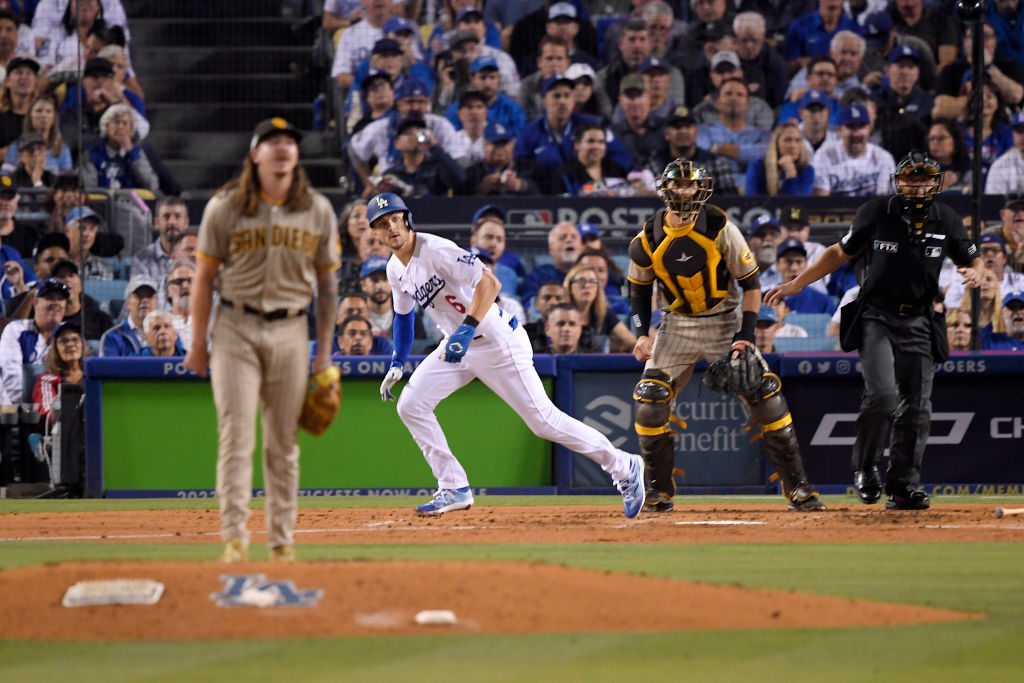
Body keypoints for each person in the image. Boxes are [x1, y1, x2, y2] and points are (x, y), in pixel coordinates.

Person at [369, 192, 645, 517]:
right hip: (460, 345)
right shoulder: (393, 269)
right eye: (382, 224)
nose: (392, 227)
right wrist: (398, 361)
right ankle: (453, 486)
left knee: (544, 422)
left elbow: (490, 282)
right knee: (411, 405)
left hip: (497, 342)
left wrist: (466, 328)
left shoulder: (437, 250)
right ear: (375, 233)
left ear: (407, 218)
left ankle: (623, 465)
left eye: (396, 218)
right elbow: (402, 317)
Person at [765, 151, 982, 510]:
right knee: (882, 395)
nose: (917, 186)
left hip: (921, 319)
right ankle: (865, 467)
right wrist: (796, 284)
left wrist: (975, 271)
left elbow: (970, 257)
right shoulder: (877, 212)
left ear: (936, 182)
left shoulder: (947, 217)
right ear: (898, 182)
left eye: (925, 178)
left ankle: (903, 486)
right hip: (876, 314)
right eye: (910, 179)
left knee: (918, 407)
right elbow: (839, 251)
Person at [183, 118, 341, 563]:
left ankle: (281, 541)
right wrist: (198, 343)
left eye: (289, 141)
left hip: (292, 330)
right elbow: (204, 279)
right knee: (236, 436)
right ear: (254, 154)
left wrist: (324, 355)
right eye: (272, 141)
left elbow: (328, 287)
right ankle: (235, 538)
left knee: (283, 443)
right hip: (235, 328)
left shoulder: (318, 210)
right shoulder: (225, 206)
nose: (282, 147)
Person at [629, 158, 824, 513]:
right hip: (677, 324)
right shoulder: (646, 238)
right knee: (650, 400)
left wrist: (746, 335)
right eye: (679, 185)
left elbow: (751, 283)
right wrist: (642, 334)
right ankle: (658, 490)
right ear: (666, 189)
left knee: (765, 393)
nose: (685, 191)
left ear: (700, 189)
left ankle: (798, 487)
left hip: (724, 320)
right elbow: (638, 291)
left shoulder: (719, 225)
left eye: (690, 185)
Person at [0, 277, 68, 401]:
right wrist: (25, 410)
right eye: (50, 298)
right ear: (35, 303)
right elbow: (11, 376)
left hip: (61, 404)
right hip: (23, 407)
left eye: (60, 299)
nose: (56, 303)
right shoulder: (16, 329)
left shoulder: (69, 333)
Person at [812, 103, 895, 196]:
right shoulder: (824, 156)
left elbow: (882, 202)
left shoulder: (883, 158)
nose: (856, 133)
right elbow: (821, 203)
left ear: (869, 129)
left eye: (861, 126)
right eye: (851, 126)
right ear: (840, 130)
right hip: (836, 210)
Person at [79, 103, 159, 191]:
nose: (120, 127)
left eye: (125, 123)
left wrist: (131, 153)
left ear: (131, 129)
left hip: (132, 203)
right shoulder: (92, 154)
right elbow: (90, 189)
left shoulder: (137, 153)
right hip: (103, 203)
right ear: (106, 126)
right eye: (116, 122)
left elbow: (152, 185)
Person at [563, 261, 636, 352]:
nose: (587, 285)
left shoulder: (604, 313)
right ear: (570, 287)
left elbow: (633, 343)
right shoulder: (559, 313)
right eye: (581, 281)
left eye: (592, 281)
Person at [33, 320, 86, 427]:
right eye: (64, 341)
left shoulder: (93, 376)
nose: (70, 344)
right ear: (55, 350)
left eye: (75, 339)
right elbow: (49, 414)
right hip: (61, 432)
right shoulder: (46, 380)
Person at [2, 93, 72, 173]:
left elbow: (67, 183)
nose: (43, 115)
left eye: (48, 111)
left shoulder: (62, 150)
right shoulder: (16, 147)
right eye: (39, 111)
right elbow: (5, 178)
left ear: (54, 118)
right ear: (30, 116)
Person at [130, 196, 189, 285]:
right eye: (166, 217)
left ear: (186, 222)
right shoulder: (142, 259)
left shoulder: (195, 257)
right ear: (156, 223)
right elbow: (142, 296)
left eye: (177, 217)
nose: (172, 222)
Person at [744, 121, 814, 196]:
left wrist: (790, 174)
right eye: (787, 140)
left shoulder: (807, 170)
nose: (793, 145)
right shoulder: (757, 166)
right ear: (776, 143)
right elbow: (752, 201)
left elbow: (798, 204)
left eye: (797, 140)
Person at [99, 276, 156, 356]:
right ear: (127, 302)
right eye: (139, 296)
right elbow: (108, 368)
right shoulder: (111, 337)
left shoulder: (169, 335)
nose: (144, 300)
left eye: (149, 296)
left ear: (156, 301)